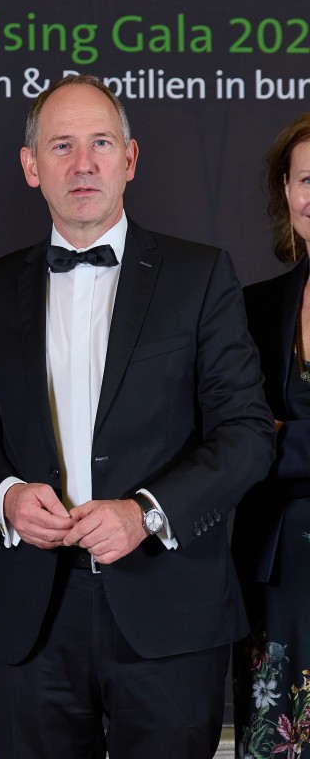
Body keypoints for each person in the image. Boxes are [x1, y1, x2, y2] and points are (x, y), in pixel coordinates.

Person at [0, 73, 275, 759]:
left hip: (168, 613)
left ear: (130, 158)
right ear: (31, 166)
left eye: (100, 143)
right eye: (61, 146)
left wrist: (145, 513)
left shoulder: (200, 276)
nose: (83, 163)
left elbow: (245, 434)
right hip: (30, 621)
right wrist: (6, 497)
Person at [232, 113, 310, 757]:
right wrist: (265, 440)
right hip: (277, 578)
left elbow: (262, 439)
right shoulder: (255, 308)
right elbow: (237, 440)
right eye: (307, 179)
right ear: (286, 191)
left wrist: (281, 438)